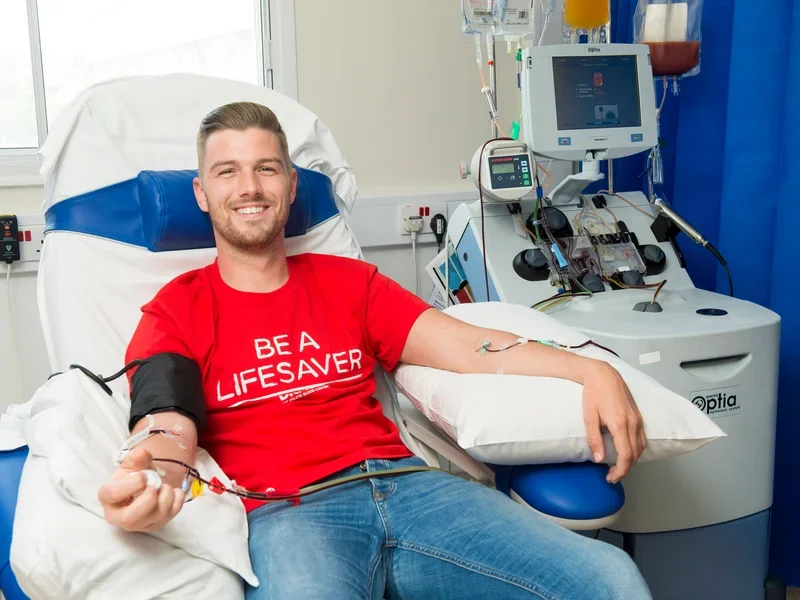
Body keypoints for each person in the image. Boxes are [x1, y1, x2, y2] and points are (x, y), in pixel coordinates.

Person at [97, 101, 652, 600]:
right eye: (227, 172)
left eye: (266, 168)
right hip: (289, 512)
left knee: (612, 580)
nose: (249, 187)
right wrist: (152, 474)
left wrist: (589, 369)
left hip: (410, 487)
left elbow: (465, 345)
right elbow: (168, 424)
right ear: (201, 192)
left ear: (291, 186)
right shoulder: (175, 310)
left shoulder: (350, 283)